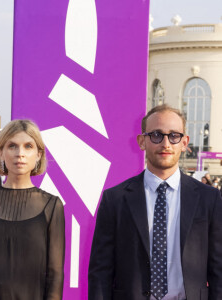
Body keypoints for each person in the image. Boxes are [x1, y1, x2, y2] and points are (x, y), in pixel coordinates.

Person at [88, 104, 222, 300]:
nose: (166, 144)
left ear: (184, 142)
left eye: (174, 136)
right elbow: (100, 271)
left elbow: (218, 269)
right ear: (142, 141)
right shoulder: (115, 199)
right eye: (156, 135)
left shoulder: (209, 198)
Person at [0, 119, 65, 300]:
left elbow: (55, 274)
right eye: (12, 146)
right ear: (0, 152)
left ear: (39, 155)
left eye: (28, 146)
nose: (20, 154)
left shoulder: (52, 206)